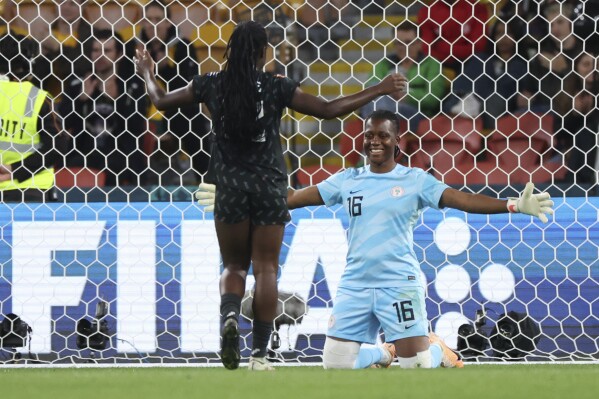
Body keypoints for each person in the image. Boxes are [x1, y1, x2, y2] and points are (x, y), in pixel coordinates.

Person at [135, 20, 406, 371]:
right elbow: (328, 109)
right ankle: (259, 355)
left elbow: (160, 100)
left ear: (230, 49)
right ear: (263, 53)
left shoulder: (211, 84)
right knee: (266, 270)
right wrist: (378, 88)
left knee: (233, 265)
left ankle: (231, 317)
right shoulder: (276, 86)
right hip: (269, 186)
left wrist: (146, 71)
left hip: (228, 187)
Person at [197, 110, 554, 369]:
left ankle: (436, 350)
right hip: (355, 283)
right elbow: (290, 198)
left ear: (398, 140)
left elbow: (462, 199)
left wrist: (512, 204)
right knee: (336, 364)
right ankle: (386, 353)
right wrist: (234, 193)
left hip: (398, 283)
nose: (374, 141)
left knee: (418, 368)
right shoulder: (348, 178)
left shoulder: (416, 179)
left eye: (383, 135)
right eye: (369, 135)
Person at [133, 0, 210, 185]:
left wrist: (165, 69)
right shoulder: (133, 47)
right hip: (140, 111)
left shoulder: (182, 46)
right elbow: (128, 84)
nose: (153, 24)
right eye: (148, 19)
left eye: (158, 19)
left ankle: (207, 181)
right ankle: (136, 186)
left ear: (168, 22)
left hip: (174, 113)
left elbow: (192, 87)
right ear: (142, 22)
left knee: (194, 119)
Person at [59, 29, 148, 187]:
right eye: (95, 50)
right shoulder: (78, 83)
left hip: (121, 157)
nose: (100, 55)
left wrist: (118, 100)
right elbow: (62, 122)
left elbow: (137, 128)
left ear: (119, 54)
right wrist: (80, 100)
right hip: (83, 154)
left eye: (106, 50)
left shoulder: (132, 86)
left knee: (114, 165)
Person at [0, 33, 66, 202]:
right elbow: (58, 146)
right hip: (31, 191)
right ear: (28, 63)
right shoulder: (37, 98)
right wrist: (15, 170)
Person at [360, 20, 447, 133]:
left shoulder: (432, 64)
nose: (403, 47)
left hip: (416, 113)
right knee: (376, 93)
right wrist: (389, 92)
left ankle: (376, 142)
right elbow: (370, 87)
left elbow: (433, 99)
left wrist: (405, 96)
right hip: (386, 105)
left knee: (378, 104)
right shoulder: (385, 63)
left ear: (419, 43)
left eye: (408, 42)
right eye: (399, 43)